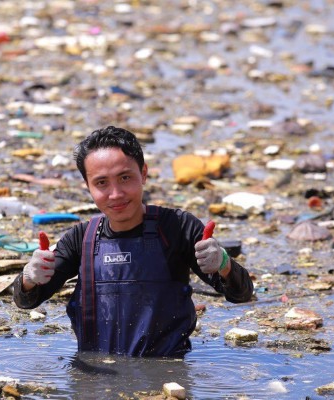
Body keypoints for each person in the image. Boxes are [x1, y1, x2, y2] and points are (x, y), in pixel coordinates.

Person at [13, 126, 253, 357]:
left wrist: (223, 262)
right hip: (95, 376)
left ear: (144, 174)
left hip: (166, 372)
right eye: (101, 183)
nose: (116, 194)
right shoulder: (81, 239)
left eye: (125, 177)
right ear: (88, 186)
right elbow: (26, 301)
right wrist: (29, 278)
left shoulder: (178, 228)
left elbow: (241, 294)